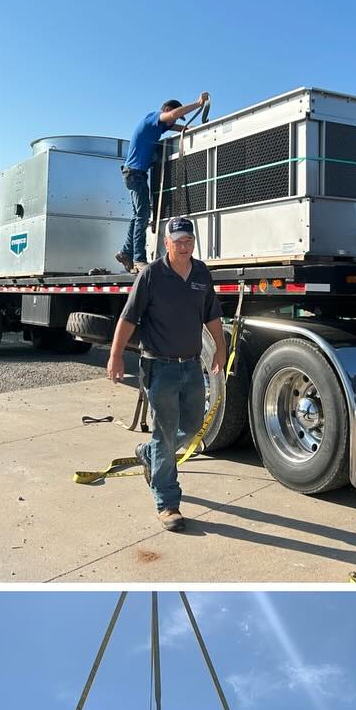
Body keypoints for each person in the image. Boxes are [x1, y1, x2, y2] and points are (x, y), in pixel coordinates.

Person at [107, 217, 226, 532]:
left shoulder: (201, 273)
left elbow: (212, 314)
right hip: (159, 367)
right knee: (165, 432)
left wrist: (220, 348)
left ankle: (150, 453)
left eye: (189, 241)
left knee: (193, 426)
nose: (184, 247)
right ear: (166, 243)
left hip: (192, 365)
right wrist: (116, 356)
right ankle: (167, 502)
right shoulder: (151, 275)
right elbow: (129, 317)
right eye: (178, 241)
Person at [118, 93, 209, 273]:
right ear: (167, 110)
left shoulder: (159, 127)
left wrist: (192, 128)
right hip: (135, 174)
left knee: (137, 215)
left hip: (134, 174)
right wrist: (198, 104)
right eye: (173, 115)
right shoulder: (152, 118)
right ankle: (138, 258)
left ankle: (125, 252)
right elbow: (172, 116)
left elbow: (178, 126)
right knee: (142, 216)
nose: (172, 121)